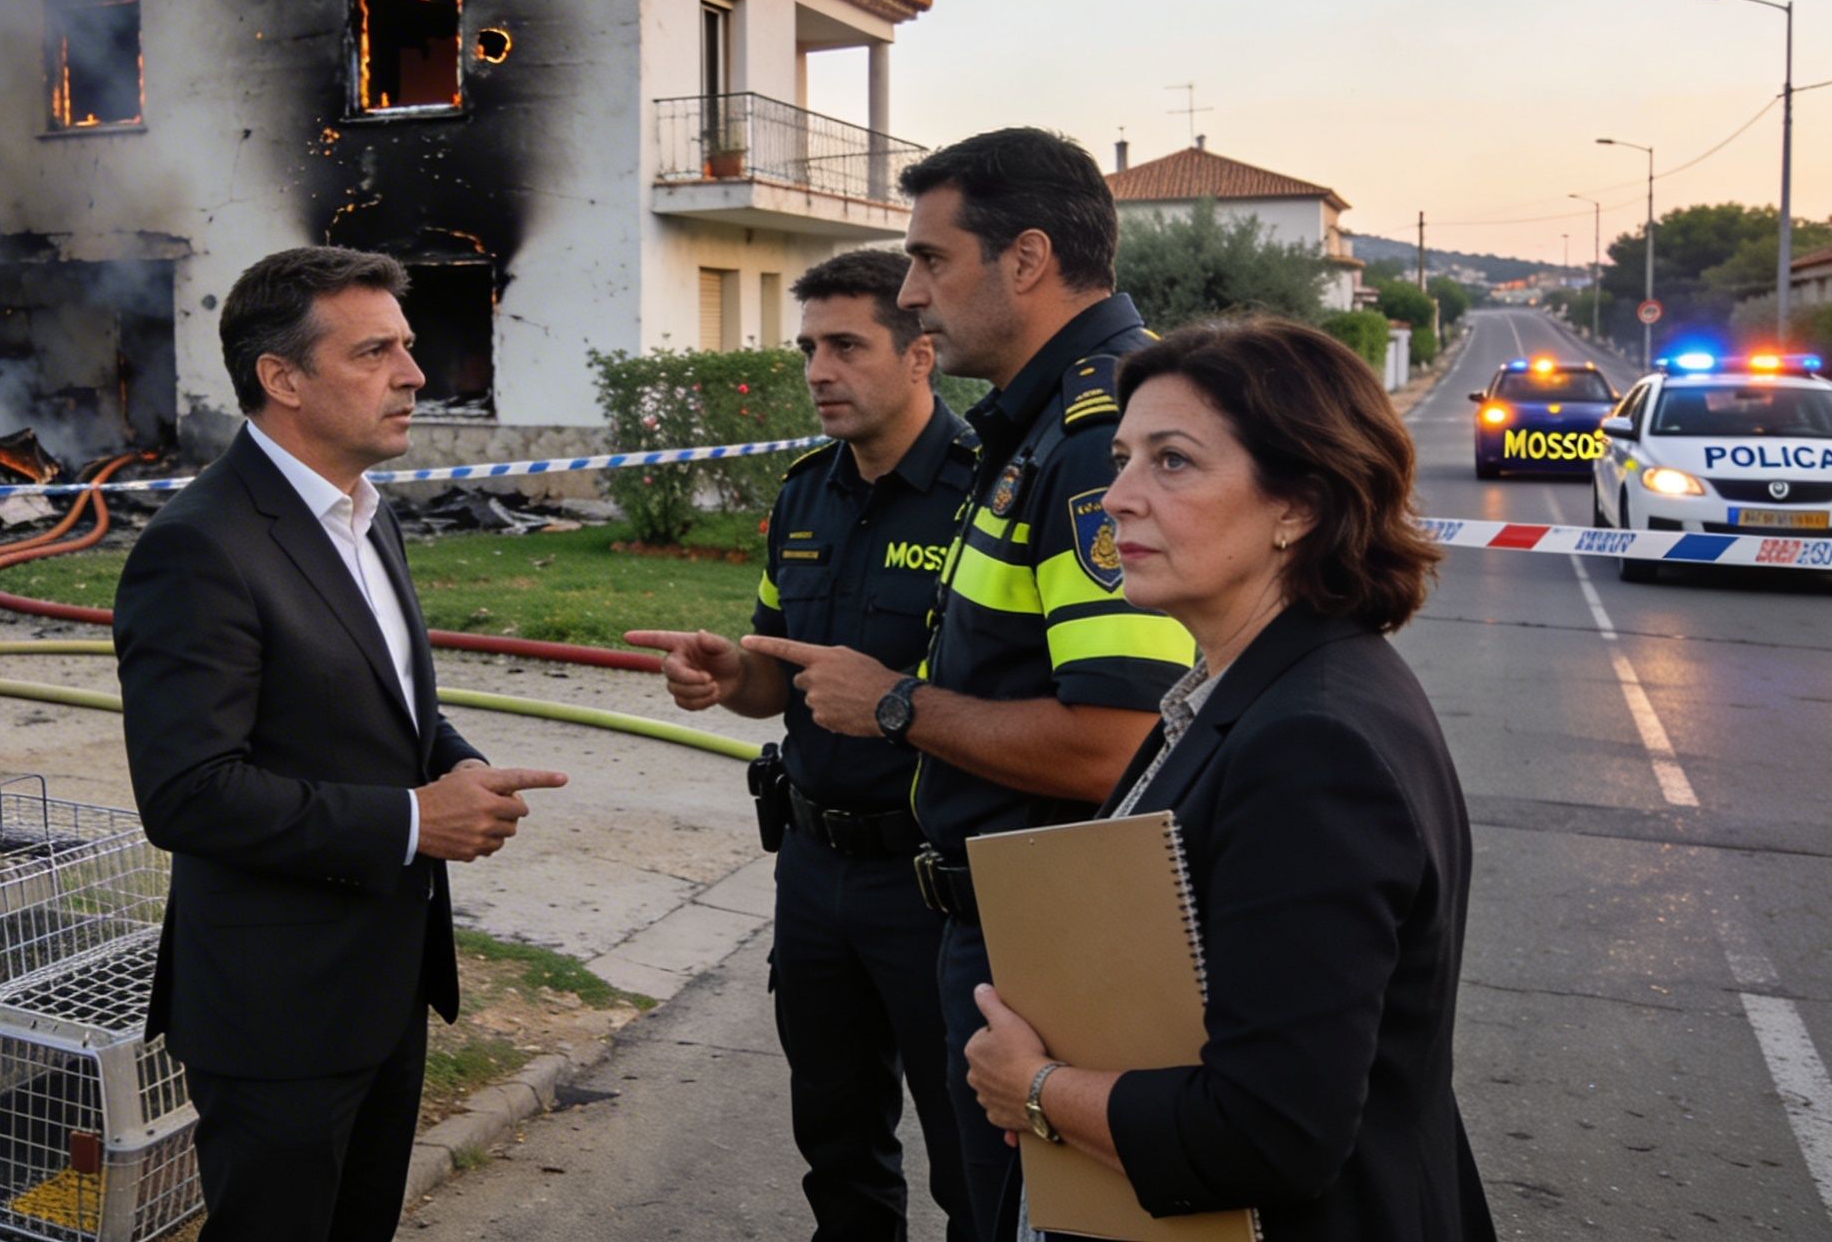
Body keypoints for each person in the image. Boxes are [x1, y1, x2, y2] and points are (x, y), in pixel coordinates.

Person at [741, 129, 1194, 1222]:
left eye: (930, 260)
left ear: (1026, 259)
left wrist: (895, 704)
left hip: (1038, 928)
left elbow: (1119, 743)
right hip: (978, 910)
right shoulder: (1039, 427)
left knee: (998, 1207)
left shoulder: (1095, 438)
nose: (913, 293)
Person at [962, 316, 1493, 1241]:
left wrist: (1037, 1091)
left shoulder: (1312, 746)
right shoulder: (1247, 688)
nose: (1115, 497)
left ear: (1301, 505)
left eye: (1171, 461)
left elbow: (1271, 1131)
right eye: (1122, 459)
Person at [113, 246, 569, 1242]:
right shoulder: (199, 546)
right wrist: (412, 821)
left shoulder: (365, 514)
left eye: (406, 346)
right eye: (375, 353)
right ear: (282, 378)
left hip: (385, 982)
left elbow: (388, 703)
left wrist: (455, 764)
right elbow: (188, 792)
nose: (414, 374)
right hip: (278, 1010)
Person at [626, 248, 979, 1242]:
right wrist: (727, 675)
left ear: (920, 354)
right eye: (808, 349)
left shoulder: (985, 492)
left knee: (974, 1158)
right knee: (835, 1141)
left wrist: (899, 704)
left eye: (846, 347)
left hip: (936, 880)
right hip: (815, 868)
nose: (819, 371)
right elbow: (775, 668)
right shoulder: (804, 495)